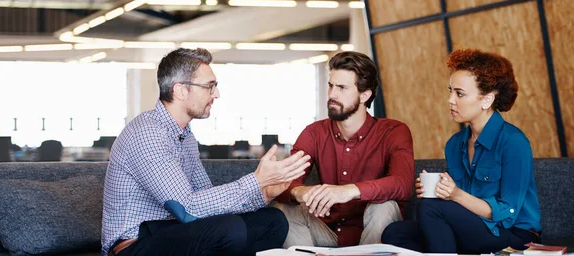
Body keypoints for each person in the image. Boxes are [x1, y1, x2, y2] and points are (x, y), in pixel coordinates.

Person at [101, 48, 311, 256]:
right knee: (229, 229)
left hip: (173, 231)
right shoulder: (147, 134)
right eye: (209, 87)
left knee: (272, 221)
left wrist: (264, 192)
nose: (216, 94)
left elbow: (208, 205)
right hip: (134, 245)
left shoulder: (185, 136)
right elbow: (188, 209)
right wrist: (255, 180)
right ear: (180, 90)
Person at [382, 49, 542, 253]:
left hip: (513, 234)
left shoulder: (514, 142)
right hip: (474, 228)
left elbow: (508, 213)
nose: (450, 100)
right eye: (450, 91)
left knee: (429, 209)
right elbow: (456, 207)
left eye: (460, 94)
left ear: (487, 100)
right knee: (395, 233)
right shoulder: (454, 144)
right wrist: (439, 190)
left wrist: (455, 195)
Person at [275, 51, 415, 247]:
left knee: (384, 206)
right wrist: (300, 192)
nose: (332, 94)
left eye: (342, 88)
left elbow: (403, 183)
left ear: (364, 95)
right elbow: (283, 184)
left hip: (371, 233)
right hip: (325, 233)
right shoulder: (314, 133)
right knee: (285, 208)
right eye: (331, 85)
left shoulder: (393, 131)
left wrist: (350, 191)